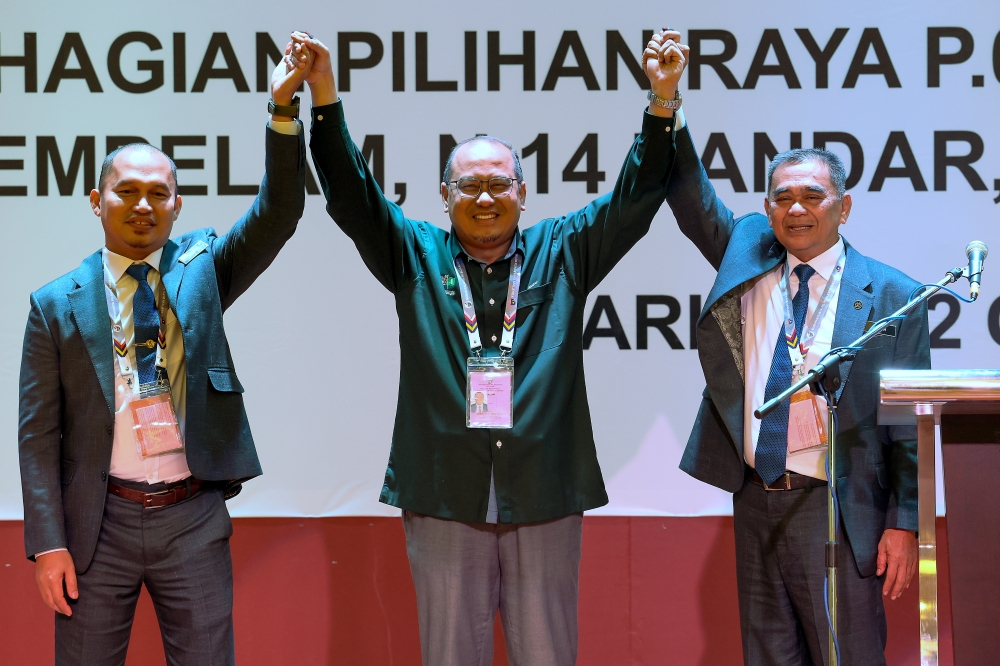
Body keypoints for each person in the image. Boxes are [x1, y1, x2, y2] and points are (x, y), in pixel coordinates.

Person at [288, 28, 686, 666]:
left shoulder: (566, 249)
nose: (484, 198)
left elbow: (637, 199)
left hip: (545, 488)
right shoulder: (413, 251)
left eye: (499, 184)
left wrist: (661, 103)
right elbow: (349, 192)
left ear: (522, 194)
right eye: (468, 186)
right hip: (445, 489)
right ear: (444, 196)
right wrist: (326, 94)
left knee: (548, 655)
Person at [18, 44, 312, 666]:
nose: (144, 205)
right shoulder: (54, 304)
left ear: (177, 205)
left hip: (191, 518)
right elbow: (38, 437)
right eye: (127, 193)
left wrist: (283, 111)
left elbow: (279, 214)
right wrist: (48, 544)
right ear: (97, 203)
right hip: (98, 525)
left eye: (159, 193)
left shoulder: (200, 271)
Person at [663, 30, 930, 665]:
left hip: (839, 507)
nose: (797, 208)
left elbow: (908, 426)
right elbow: (690, 196)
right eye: (783, 197)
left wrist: (905, 522)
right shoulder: (748, 258)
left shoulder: (895, 294)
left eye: (814, 196)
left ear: (844, 207)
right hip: (757, 499)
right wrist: (668, 103)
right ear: (767, 208)